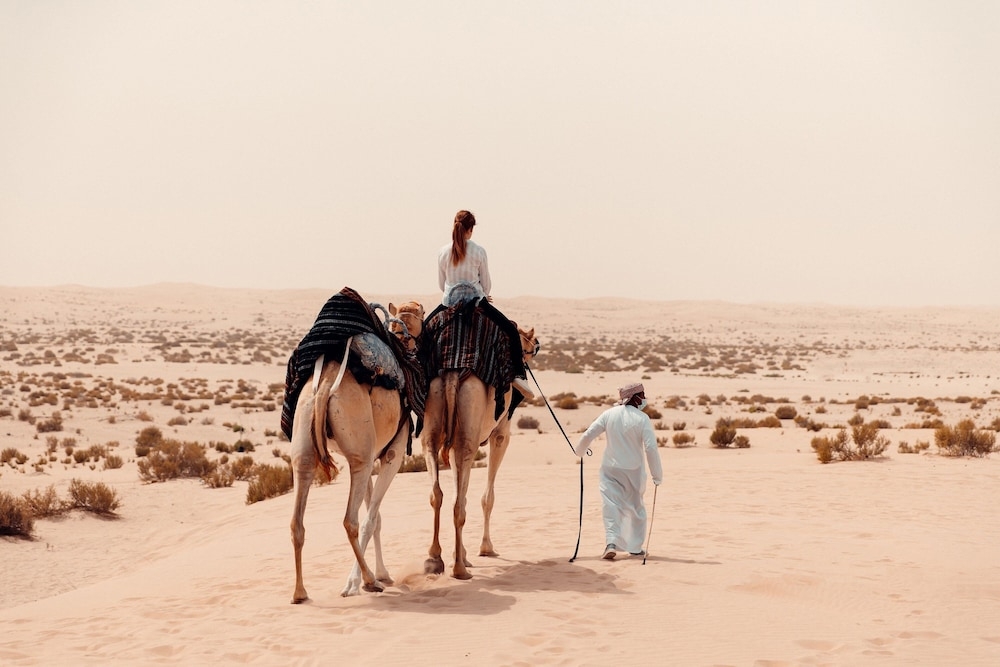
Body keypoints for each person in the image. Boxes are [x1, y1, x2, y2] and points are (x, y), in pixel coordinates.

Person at [437, 209, 534, 398]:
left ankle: (417, 377)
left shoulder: (442, 252)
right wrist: (484, 294)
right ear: (471, 229)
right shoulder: (479, 251)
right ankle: (518, 376)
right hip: (476, 303)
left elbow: (442, 284)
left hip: (448, 304)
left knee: (423, 334)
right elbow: (487, 284)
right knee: (511, 331)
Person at [574, 382, 663, 559]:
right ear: (635, 397)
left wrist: (579, 451)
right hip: (634, 471)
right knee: (636, 508)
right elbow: (651, 448)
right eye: (642, 395)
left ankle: (611, 542)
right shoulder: (642, 418)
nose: (644, 399)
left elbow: (588, 434)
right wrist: (657, 475)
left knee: (611, 506)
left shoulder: (608, 414)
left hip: (610, 469)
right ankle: (635, 547)